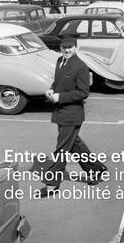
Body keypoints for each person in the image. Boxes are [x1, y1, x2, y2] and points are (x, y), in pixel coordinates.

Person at [37, 34, 107, 197]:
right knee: (74, 144)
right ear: (60, 48)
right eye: (64, 47)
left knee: (61, 148)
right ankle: (96, 169)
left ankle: (52, 183)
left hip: (72, 114)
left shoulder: (80, 66)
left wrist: (60, 97)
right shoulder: (59, 61)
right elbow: (58, 81)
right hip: (61, 111)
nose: (67, 50)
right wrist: (52, 90)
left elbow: (83, 92)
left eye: (70, 47)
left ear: (76, 48)